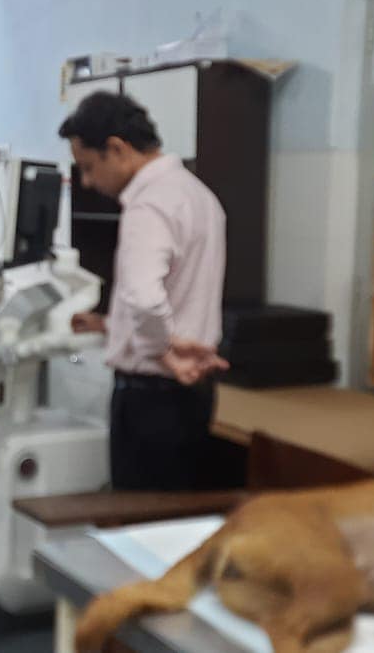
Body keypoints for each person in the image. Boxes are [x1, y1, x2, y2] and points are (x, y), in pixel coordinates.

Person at [59, 92, 231, 492]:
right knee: (173, 514)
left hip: (151, 400)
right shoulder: (199, 195)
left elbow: (145, 297)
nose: (87, 182)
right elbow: (177, 292)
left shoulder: (148, 206)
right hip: (193, 394)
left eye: (89, 166)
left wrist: (161, 350)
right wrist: (110, 324)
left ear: (117, 149)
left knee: (140, 517)